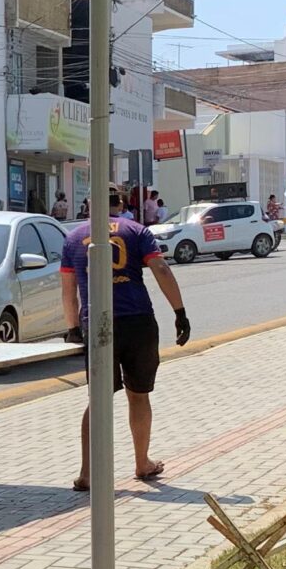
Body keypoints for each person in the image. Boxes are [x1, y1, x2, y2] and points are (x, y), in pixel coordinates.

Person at [61, 187, 190, 489]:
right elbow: (160, 268)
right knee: (139, 393)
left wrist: (72, 327)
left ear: (90, 205)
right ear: (120, 204)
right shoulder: (137, 230)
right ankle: (142, 462)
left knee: (98, 399)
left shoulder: (73, 237)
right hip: (137, 321)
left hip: (98, 325)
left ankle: (87, 473)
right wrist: (180, 311)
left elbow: (68, 289)